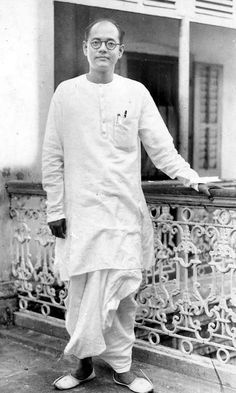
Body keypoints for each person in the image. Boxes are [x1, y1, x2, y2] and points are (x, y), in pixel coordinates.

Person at [42, 18, 218, 393]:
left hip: (123, 213)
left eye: (110, 43)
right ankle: (84, 365)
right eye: (96, 42)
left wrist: (191, 177)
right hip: (80, 215)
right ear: (85, 48)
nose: (102, 48)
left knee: (122, 296)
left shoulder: (135, 92)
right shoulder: (65, 93)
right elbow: (52, 156)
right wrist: (55, 209)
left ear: (120, 51)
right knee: (81, 292)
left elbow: (160, 146)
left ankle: (123, 367)